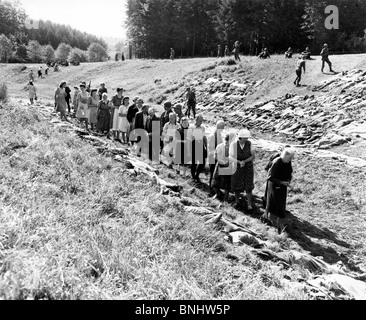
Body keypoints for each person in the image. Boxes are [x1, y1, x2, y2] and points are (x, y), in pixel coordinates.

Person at [263, 147, 295, 234]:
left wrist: (288, 181)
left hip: (283, 187)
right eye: (290, 157)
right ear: (285, 155)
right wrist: (281, 182)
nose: (291, 159)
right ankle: (270, 221)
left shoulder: (288, 162)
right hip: (274, 186)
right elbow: (270, 177)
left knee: (281, 205)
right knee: (273, 204)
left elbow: (289, 173)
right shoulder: (276, 162)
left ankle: (279, 224)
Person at [229, 129, 255, 210]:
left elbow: (253, 156)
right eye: (245, 138)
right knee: (237, 184)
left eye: (247, 138)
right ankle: (237, 201)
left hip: (248, 167)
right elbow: (230, 157)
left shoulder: (250, 144)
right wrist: (239, 162)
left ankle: (249, 204)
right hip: (237, 167)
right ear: (240, 138)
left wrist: (244, 161)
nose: (246, 140)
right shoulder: (233, 144)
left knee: (248, 185)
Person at [212, 133, 236, 203]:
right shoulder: (219, 146)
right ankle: (218, 193)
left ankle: (225, 198)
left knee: (227, 184)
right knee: (215, 183)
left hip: (228, 166)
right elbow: (215, 156)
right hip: (220, 165)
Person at [187, 114, 207, 183]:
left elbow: (204, 137)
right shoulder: (191, 127)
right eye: (199, 121)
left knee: (203, 162)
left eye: (201, 121)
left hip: (200, 144)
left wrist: (206, 147)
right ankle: (193, 175)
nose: (200, 122)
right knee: (194, 162)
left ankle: (197, 174)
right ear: (196, 120)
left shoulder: (202, 128)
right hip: (193, 144)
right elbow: (188, 139)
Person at [207, 120, 225, 189]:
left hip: (217, 157)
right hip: (212, 157)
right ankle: (210, 187)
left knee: (216, 173)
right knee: (212, 173)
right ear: (218, 127)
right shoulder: (212, 136)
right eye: (222, 127)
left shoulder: (219, 135)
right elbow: (211, 149)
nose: (223, 129)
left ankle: (215, 187)